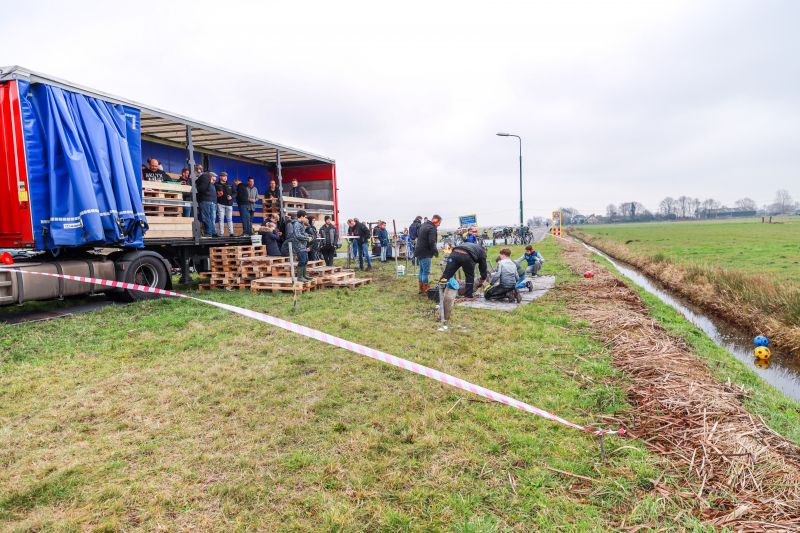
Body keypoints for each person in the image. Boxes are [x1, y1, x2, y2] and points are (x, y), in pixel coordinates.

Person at [281, 209, 312, 281]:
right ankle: (300, 277)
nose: (306, 218)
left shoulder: (300, 223)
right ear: (301, 217)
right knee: (302, 260)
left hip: (303, 245)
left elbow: (302, 233)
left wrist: (308, 235)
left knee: (305, 260)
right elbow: (298, 235)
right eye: (305, 217)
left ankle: (304, 275)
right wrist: (307, 238)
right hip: (299, 245)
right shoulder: (296, 224)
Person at [415, 214, 441, 294]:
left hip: (419, 251)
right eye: (439, 223)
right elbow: (431, 242)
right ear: (435, 220)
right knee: (425, 272)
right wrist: (435, 252)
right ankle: (427, 291)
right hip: (425, 252)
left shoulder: (424, 225)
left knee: (421, 271)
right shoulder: (431, 228)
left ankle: (421, 289)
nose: (439, 225)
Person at [195, 171, 218, 237]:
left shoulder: (204, 178)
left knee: (206, 217)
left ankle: (208, 233)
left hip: (204, 200)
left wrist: (194, 188)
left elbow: (202, 188)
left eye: (194, 171)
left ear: (197, 171)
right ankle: (210, 232)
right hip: (205, 200)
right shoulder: (204, 178)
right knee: (207, 217)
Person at [215, 172, 236, 236]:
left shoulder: (230, 184)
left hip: (229, 204)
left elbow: (235, 193)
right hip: (220, 204)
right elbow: (213, 194)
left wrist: (231, 197)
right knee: (221, 219)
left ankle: (231, 233)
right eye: (224, 176)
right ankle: (221, 233)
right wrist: (217, 196)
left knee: (229, 219)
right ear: (220, 177)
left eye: (226, 176)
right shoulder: (216, 185)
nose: (225, 178)